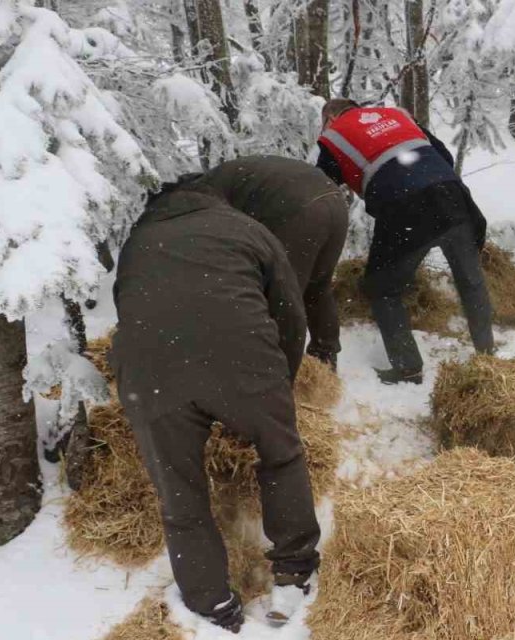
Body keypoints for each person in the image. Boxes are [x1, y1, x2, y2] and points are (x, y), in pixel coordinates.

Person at [111, 181, 321, 632]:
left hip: (151, 374)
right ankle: (294, 570)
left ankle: (211, 605)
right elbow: (290, 312)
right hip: (241, 356)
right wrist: (275, 386)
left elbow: (130, 313)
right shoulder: (244, 228)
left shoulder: (138, 242)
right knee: (281, 455)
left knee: (179, 492)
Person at [316, 99, 493, 384]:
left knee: (383, 288)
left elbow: (320, 186)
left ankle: (407, 367)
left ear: (332, 117)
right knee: (470, 281)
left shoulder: (335, 135)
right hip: (453, 197)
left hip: (404, 207)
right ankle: (488, 358)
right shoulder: (396, 115)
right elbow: (444, 155)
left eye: (323, 121)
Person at [192, 155, 350, 368]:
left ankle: (276, 369)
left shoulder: (201, 197)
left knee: (281, 295)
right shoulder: (229, 178)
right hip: (334, 201)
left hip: (300, 209)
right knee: (317, 286)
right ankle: (325, 358)